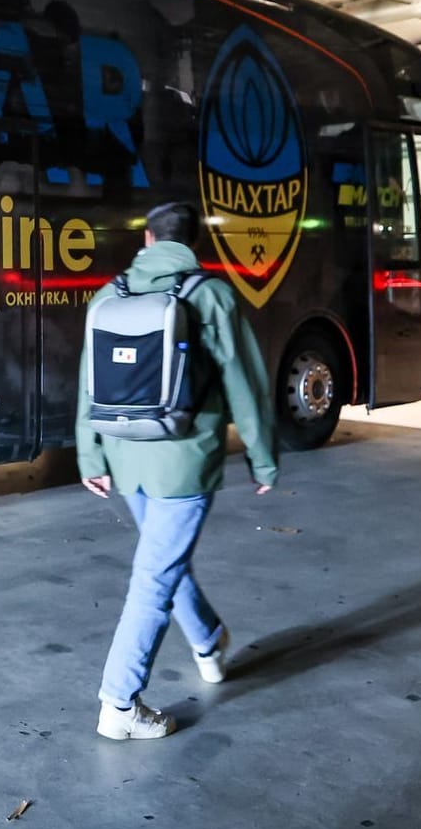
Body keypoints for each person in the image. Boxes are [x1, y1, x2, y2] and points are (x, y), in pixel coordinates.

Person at [76, 200, 280, 740]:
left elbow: (88, 383)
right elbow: (245, 382)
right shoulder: (209, 295)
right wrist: (262, 457)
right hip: (184, 461)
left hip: (124, 453)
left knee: (163, 560)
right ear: (194, 244)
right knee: (155, 578)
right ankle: (119, 704)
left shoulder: (110, 293)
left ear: (147, 240)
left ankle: (209, 641)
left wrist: (90, 455)